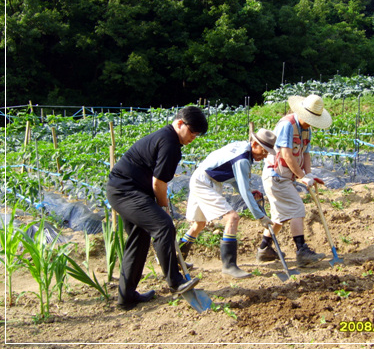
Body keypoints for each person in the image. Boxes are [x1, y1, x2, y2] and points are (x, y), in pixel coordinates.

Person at [106, 106, 208, 310]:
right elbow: (158, 183)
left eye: (197, 135)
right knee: (164, 226)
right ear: (180, 123)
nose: (193, 138)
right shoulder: (170, 143)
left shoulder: (167, 138)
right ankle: (176, 282)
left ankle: (126, 297)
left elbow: (157, 182)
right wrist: (163, 207)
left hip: (124, 189)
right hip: (126, 190)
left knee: (139, 239)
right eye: (192, 132)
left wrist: (161, 204)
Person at [179, 128, 277, 278]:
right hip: (205, 182)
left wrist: (249, 192)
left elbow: (235, 179)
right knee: (233, 218)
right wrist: (261, 216)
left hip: (201, 177)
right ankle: (229, 266)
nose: (263, 156)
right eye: (263, 151)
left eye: (266, 153)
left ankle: (176, 259)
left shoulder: (242, 148)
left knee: (199, 224)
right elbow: (243, 190)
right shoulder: (243, 159)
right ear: (255, 144)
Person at [257, 94, 332, 267]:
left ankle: (264, 248)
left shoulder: (307, 128)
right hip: (276, 175)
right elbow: (286, 154)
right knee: (297, 209)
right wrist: (301, 176)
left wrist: (309, 174)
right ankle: (302, 251)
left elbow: (305, 153)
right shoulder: (287, 125)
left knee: (279, 218)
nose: (311, 121)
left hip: (285, 177)